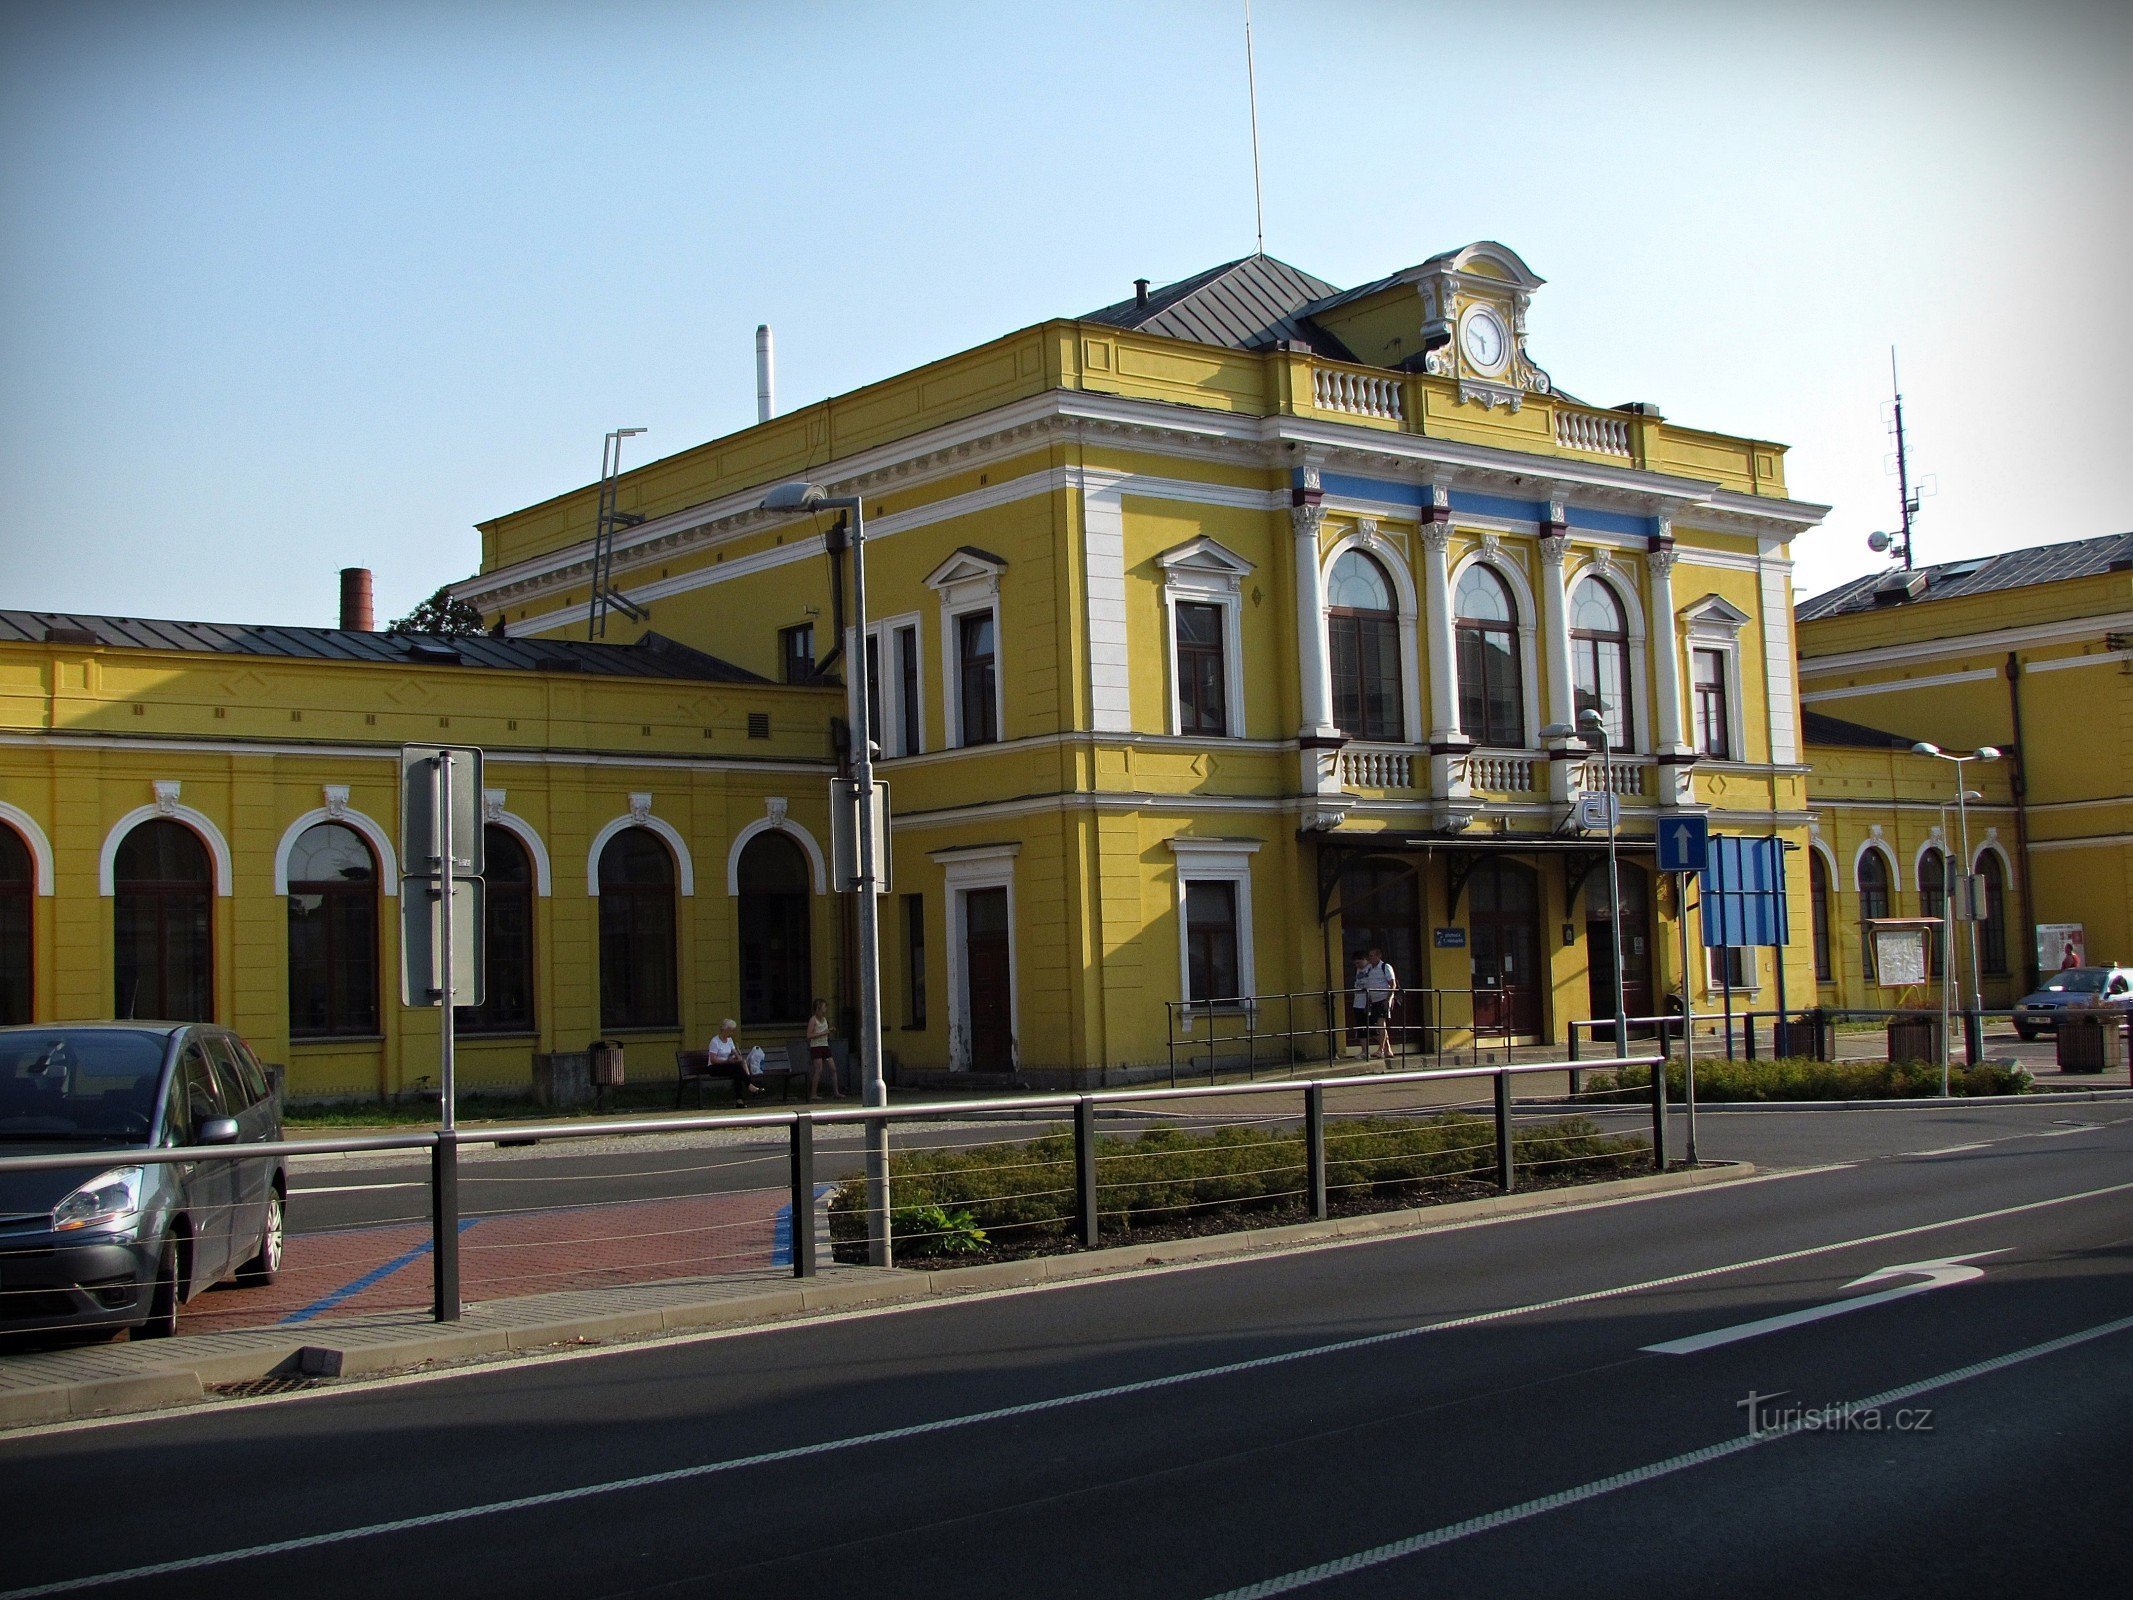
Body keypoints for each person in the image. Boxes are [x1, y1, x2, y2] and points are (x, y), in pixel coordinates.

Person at [1358, 946, 1399, 1067]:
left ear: (1378, 956)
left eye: (1372, 955)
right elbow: (1369, 984)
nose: (1370, 958)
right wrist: (1368, 1002)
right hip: (1374, 1000)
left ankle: (1381, 1049)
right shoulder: (1370, 969)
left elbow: (1393, 984)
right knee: (1376, 1025)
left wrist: (1388, 999)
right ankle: (1388, 1049)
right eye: (1369, 956)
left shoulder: (1385, 967)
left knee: (1381, 1024)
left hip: (1383, 999)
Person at [706, 1018, 764, 1097]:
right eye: (731, 1030)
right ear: (725, 1030)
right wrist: (727, 1061)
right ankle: (750, 1086)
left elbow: (737, 1056)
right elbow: (713, 1060)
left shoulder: (730, 1040)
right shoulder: (715, 1041)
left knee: (737, 1074)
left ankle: (739, 1100)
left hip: (728, 1066)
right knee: (737, 1069)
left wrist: (737, 1056)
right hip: (715, 1067)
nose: (732, 1033)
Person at [805, 998, 837, 1101]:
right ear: (818, 1008)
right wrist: (824, 1033)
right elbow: (809, 1035)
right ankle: (813, 1093)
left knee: (833, 1068)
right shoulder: (813, 1020)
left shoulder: (824, 1019)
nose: (825, 1009)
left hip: (825, 1045)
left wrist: (830, 1031)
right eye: (824, 1007)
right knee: (818, 1070)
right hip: (816, 1046)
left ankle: (836, 1092)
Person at [1348, 953, 1371, 1056]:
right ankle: (1365, 1051)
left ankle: (1384, 1048)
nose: (1357, 965)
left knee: (1373, 1027)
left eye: (1358, 962)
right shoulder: (1358, 970)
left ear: (1364, 959)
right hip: (1358, 1001)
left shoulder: (1371, 968)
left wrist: (1369, 1002)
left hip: (1367, 1001)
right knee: (1361, 1027)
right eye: (1355, 964)